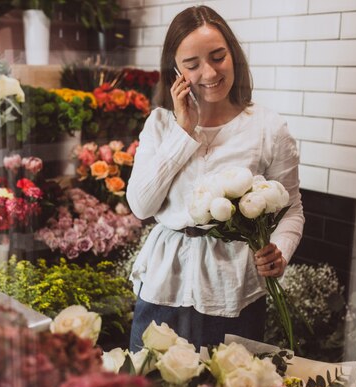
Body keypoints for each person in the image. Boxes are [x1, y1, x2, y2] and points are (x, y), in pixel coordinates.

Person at [126, 5, 304, 351]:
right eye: (192, 65)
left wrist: (279, 250)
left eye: (218, 57)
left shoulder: (267, 127)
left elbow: (292, 210)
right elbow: (141, 205)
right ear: (176, 71)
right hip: (165, 285)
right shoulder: (161, 125)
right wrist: (183, 130)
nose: (208, 72)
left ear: (233, 56)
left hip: (233, 291)